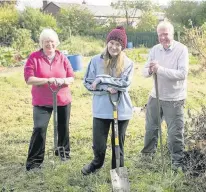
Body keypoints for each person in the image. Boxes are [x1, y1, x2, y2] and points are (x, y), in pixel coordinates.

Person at [81, 26, 134, 175]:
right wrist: (105, 88)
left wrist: (101, 79)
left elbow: (124, 84)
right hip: (101, 109)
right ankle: (97, 163)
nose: (114, 47)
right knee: (99, 145)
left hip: (121, 109)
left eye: (118, 44)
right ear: (107, 42)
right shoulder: (95, 60)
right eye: (112, 42)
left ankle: (117, 170)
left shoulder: (128, 63)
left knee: (118, 144)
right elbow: (87, 83)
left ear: (122, 47)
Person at [140, 21, 189, 171]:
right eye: (160, 34)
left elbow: (182, 74)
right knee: (151, 128)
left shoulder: (181, 50)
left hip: (174, 98)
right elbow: (143, 72)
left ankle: (177, 162)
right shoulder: (155, 50)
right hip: (156, 96)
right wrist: (149, 70)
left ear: (172, 34)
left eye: (165, 34)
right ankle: (147, 156)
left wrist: (159, 69)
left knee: (174, 132)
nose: (163, 37)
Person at [24, 28, 74, 171]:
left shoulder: (63, 58)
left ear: (56, 43)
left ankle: (63, 153)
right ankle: (34, 162)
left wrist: (62, 80)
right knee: (39, 128)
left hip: (62, 99)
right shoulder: (34, 57)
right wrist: (48, 80)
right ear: (41, 43)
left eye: (52, 42)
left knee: (63, 128)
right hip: (42, 101)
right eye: (46, 42)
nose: (49, 45)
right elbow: (29, 79)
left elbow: (71, 77)